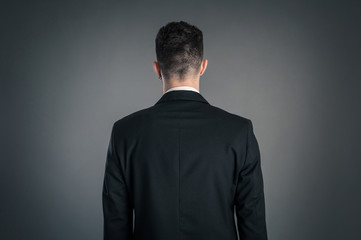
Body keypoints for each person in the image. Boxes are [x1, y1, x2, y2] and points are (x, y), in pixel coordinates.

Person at [102, 20, 268, 240]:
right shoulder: (239, 132)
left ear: (157, 69)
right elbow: (253, 226)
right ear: (202, 66)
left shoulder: (124, 132)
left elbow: (115, 227)